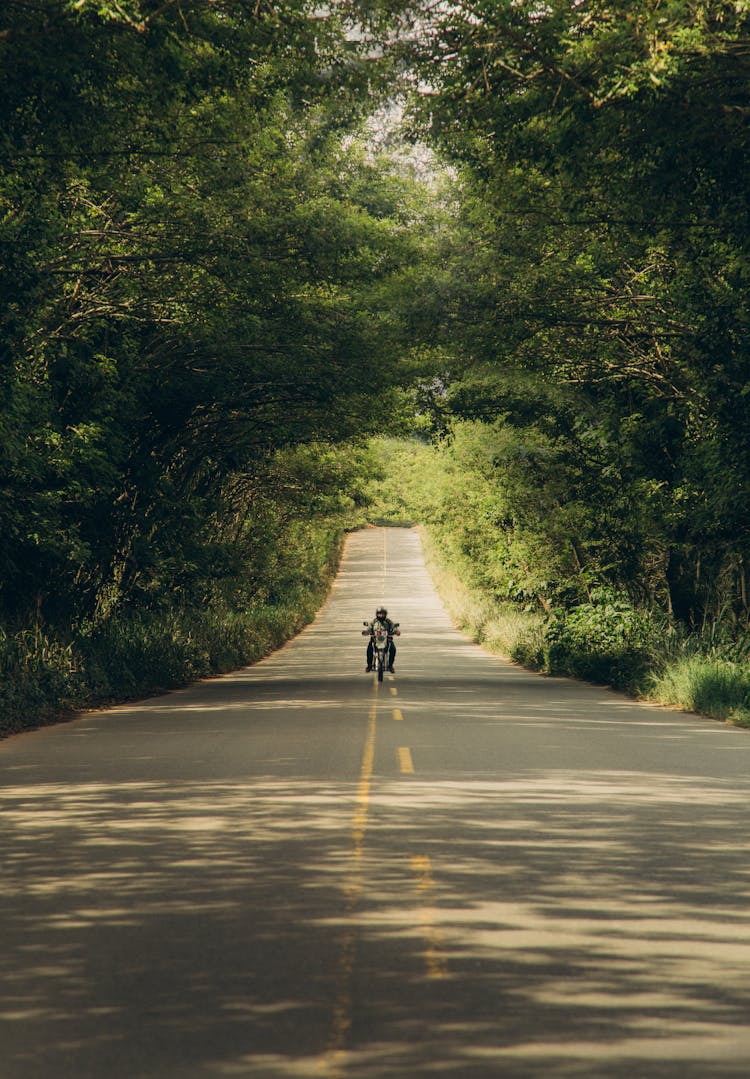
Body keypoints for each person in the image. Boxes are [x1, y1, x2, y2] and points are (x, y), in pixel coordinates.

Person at [363, 607, 400, 673]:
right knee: (369, 649)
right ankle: (369, 666)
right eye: (379, 614)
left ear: (385, 614)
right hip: (375, 639)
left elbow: (393, 627)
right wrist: (366, 632)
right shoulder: (374, 621)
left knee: (393, 649)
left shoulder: (388, 621)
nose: (381, 615)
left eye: (382, 614)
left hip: (387, 639)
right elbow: (369, 628)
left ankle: (390, 666)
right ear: (377, 614)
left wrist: (396, 631)